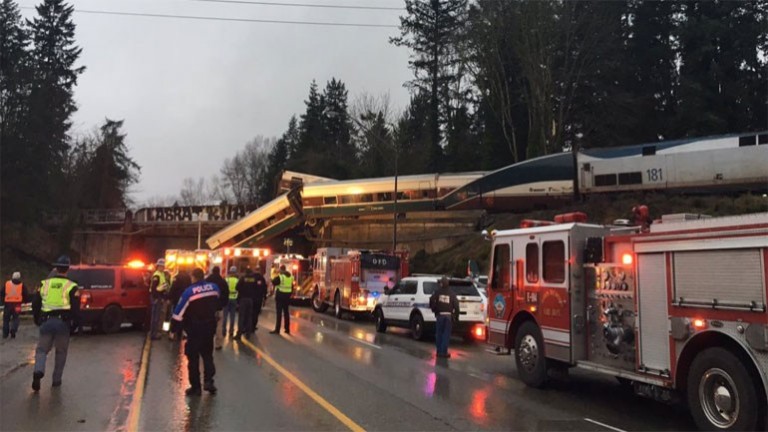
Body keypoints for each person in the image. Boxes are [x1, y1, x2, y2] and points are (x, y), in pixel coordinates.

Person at [31, 256, 79, 391]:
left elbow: (35, 304)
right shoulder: (72, 286)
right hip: (63, 323)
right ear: (68, 269)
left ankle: (38, 370)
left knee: (41, 350)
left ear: (56, 268)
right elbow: (76, 307)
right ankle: (56, 380)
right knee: (61, 352)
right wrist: (75, 324)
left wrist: (37, 318)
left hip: (46, 321)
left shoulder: (43, 284)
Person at [171, 268, 220, 396]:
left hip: (194, 329)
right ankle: (209, 381)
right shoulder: (214, 288)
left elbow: (178, 313)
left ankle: (196, 387)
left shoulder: (189, 292)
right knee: (207, 355)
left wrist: (173, 329)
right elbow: (218, 302)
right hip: (209, 327)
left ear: (193, 277)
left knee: (193, 358)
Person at [429, 276, 459, 359]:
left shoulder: (437, 292)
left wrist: (434, 309)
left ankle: (439, 351)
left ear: (441, 283)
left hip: (440, 315)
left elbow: (431, 300)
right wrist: (456, 316)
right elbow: (456, 305)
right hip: (448, 316)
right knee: (446, 334)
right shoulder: (452, 293)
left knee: (439, 334)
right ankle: (444, 352)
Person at [205, 266, 229, 350]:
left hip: (208, 308)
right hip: (218, 308)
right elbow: (226, 294)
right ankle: (218, 344)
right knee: (219, 326)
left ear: (212, 271)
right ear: (219, 272)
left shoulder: (207, 281)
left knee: (207, 325)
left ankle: (206, 343)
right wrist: (223, 304)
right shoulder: (223, 282)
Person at [149, 259, 170, 340]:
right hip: (156, 297)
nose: (162, 267)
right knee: (155, 317)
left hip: (159, 297)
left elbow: (162, 287)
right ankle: (153, 334)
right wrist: (157, 298)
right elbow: (154, 289)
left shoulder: (161, 274)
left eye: (163, 266)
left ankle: (155, 333)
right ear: (158, 266)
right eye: (161, 266)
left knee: (157, 316)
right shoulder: (157, 275)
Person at [2, 271, 26, 339]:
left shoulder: (7, 284)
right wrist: (24, 301)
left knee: (6, 319)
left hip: (8, 304)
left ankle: (5, 334)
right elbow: (25, 294)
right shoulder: (22, 285)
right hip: (17, 304)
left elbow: (2, 293)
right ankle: (13, 329)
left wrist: (2, 301)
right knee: (16, 318)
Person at [270, 265, 293, 335]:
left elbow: (273, 282)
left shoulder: (280, 277)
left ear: (281, 270)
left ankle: (277, 329)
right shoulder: (291, 277)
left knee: (279, 313)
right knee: (286, 312)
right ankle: (287, 329)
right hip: (287, 296)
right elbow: (292, 286)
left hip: (280, 295)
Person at [168, 269, 191, 340]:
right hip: (186, 300)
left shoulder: (176, 277)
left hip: (177, 300)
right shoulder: (188, 277)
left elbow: (173, 288)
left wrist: (169, 297)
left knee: (176, 316)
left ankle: (172, 332)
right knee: (185, 316)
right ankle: (183, 332)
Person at [234, 268, 257, 338]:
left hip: (243, 299)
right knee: (249, 317)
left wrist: (242, 290)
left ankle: (239, 334)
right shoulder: (254, 279)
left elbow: (237, 287)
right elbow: (256, 288)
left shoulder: (243, 278)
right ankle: (248, 334)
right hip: (250, 299)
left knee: (241, 317)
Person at [250, 268, 268, 332]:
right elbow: (265, 288)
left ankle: (249, 326)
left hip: (251, 298)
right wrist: (265, 297)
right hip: (259, 299)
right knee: (256, 313)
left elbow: (247, 286)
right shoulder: (262, 278)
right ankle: (253, 326)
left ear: (255, 270)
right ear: (259, 271)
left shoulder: (251, 277)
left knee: (250, 312)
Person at [223, 267, 239, 337]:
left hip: (227, 300)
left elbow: (224, 290)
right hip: (234, 299)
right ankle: (231, 331)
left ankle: (224, 331)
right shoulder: (237, 280)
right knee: (232, 316)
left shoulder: (227, 280)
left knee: (225, 316)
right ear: (235, 273)